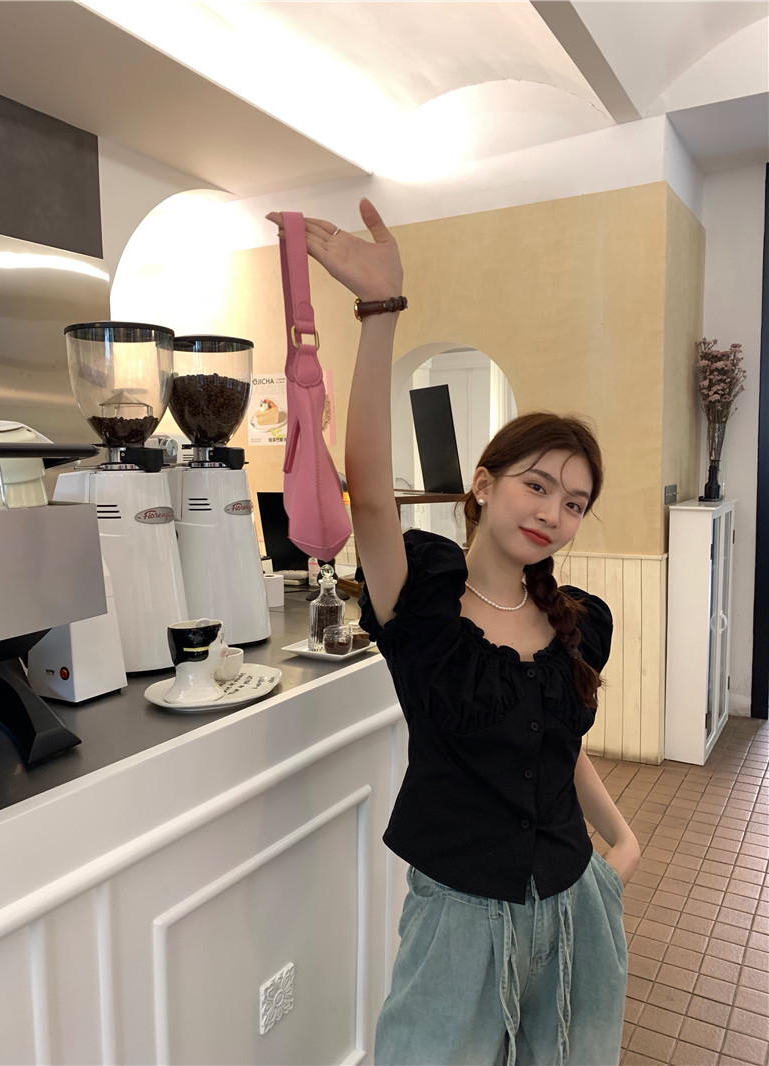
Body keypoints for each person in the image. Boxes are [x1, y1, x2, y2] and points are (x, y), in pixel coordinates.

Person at [266, 200, 640, 1066]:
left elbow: (558, 747)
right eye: (536, 485)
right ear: (482, 482)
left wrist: (623, 842)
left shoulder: (579, 623)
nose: (552, 512)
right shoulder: (425, 602)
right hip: (458, 922)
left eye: (574, 503)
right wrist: (380, 310)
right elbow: (368, 492)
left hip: (576, 908)